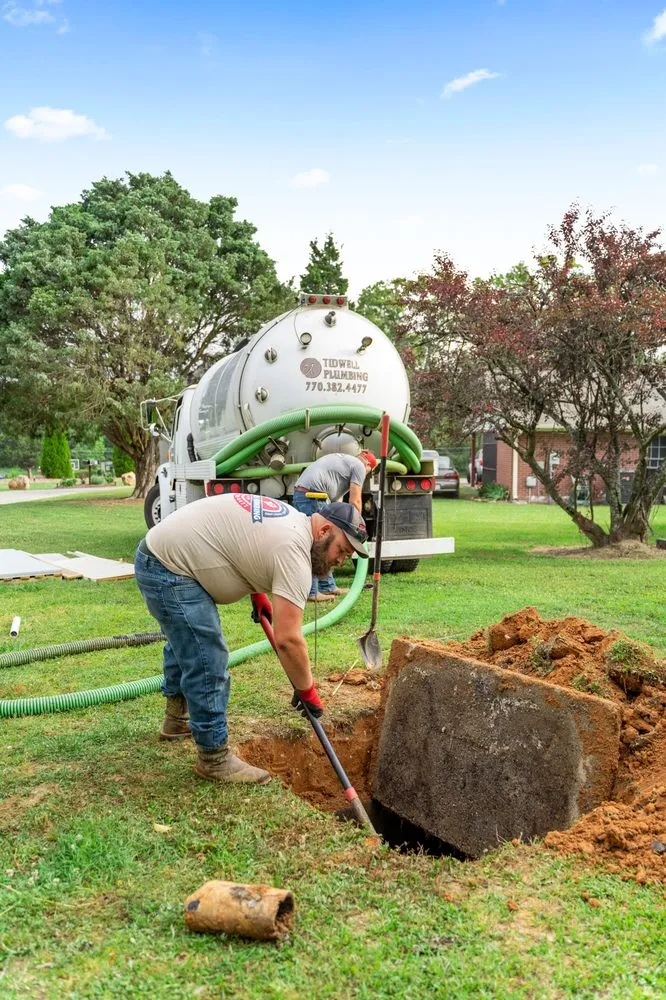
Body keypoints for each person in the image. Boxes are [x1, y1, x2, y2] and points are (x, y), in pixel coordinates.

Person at [134, 493, 369, 784]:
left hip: (163, 553)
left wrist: (257, 593)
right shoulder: (294, 551)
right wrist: (307, 690)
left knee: (186, 640)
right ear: (324, 531)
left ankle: (176, 720)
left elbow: (246, 543)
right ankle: (214, 758)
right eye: (342, 550)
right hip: (168, 567)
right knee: (206, 656)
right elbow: (289, 640)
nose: (341, 561)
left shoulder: (293, 521)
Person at [291, 450, 377, 602]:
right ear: (368, 465)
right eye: (369, 472)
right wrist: (355, 528)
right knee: (318, 545)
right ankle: (312, 591)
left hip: (308, 494)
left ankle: (327, 586)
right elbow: (355, 501)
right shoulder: (359, 466)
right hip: (313, 496)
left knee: (329, 543)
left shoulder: (345, 463)